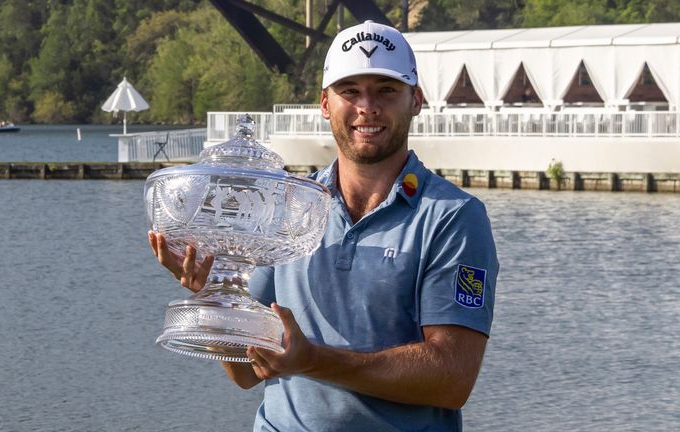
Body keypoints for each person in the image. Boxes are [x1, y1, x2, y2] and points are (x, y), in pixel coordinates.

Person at [148, 20, 498, 431]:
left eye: (386, 90)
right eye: (350, 91)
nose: (367, 106)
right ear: (325, 104)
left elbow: (451, 378)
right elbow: (245, 372)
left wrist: (312, 360)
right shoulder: (285, 204)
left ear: (416, 100)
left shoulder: (452, 217)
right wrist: (214, 293)